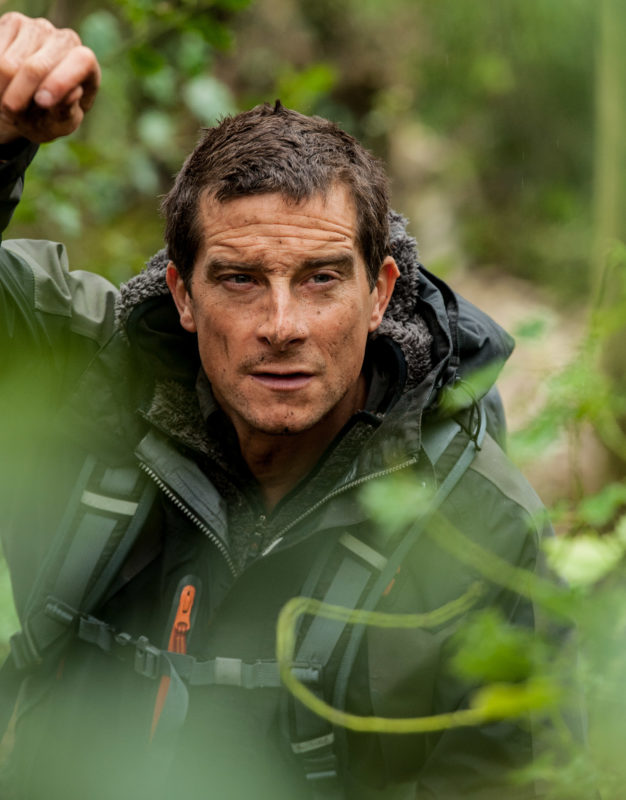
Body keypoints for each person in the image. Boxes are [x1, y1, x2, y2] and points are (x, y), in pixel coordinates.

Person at [0, 12, 557, 800]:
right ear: (183, 295)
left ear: (380, 294)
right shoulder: (85, 387)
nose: (283, 327)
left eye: (323, 278)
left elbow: (514, 775)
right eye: (239, 280)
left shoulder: (482, 522)